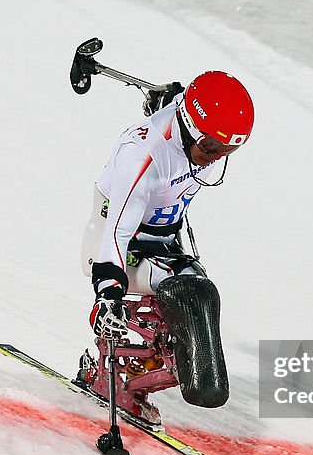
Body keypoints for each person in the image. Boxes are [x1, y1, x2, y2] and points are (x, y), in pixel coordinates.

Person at [80, 71, 255, 340]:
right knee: (191, 293)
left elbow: (184, 107)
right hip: (117, 247)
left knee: (203, 293)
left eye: (228, 150)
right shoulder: (141, 156)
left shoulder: (198, 137)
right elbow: (118, 232)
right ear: (189, 127)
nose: (215, 157)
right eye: (210, 146)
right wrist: (108, 292)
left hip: (164, 244)